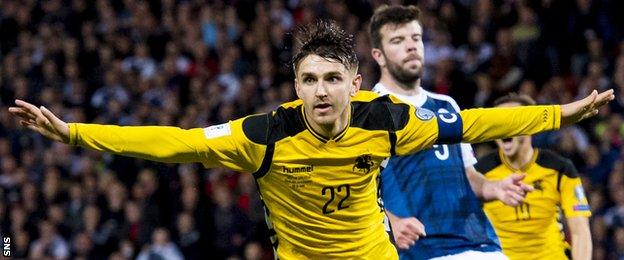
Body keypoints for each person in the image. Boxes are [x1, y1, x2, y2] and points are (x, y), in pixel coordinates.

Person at [9, 20, 612, 258]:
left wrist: (562, 113)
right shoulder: (264, 135)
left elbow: (480, 123)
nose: (320, 91)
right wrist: (75, 134)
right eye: (307, 80)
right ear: (295, 86)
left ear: (355, 81)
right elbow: (175, 142)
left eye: (330, 78)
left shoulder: (388, 122)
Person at [369, 5, 526, 259]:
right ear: (378, 55)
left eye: (416, 38)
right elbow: (354, 191)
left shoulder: (446, 106)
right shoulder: (369, 113)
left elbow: (468, 175)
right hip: (423, 251)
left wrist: (493, 188)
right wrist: (389, 222)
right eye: (398, 41)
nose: (411, 47)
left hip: (481, 244)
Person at [475, 93, 592, 260]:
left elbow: (580, 230)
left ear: (531, 125)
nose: (503, 128)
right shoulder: (480, 173)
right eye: (498, 122)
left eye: (512, 120)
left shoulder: (560, 168)